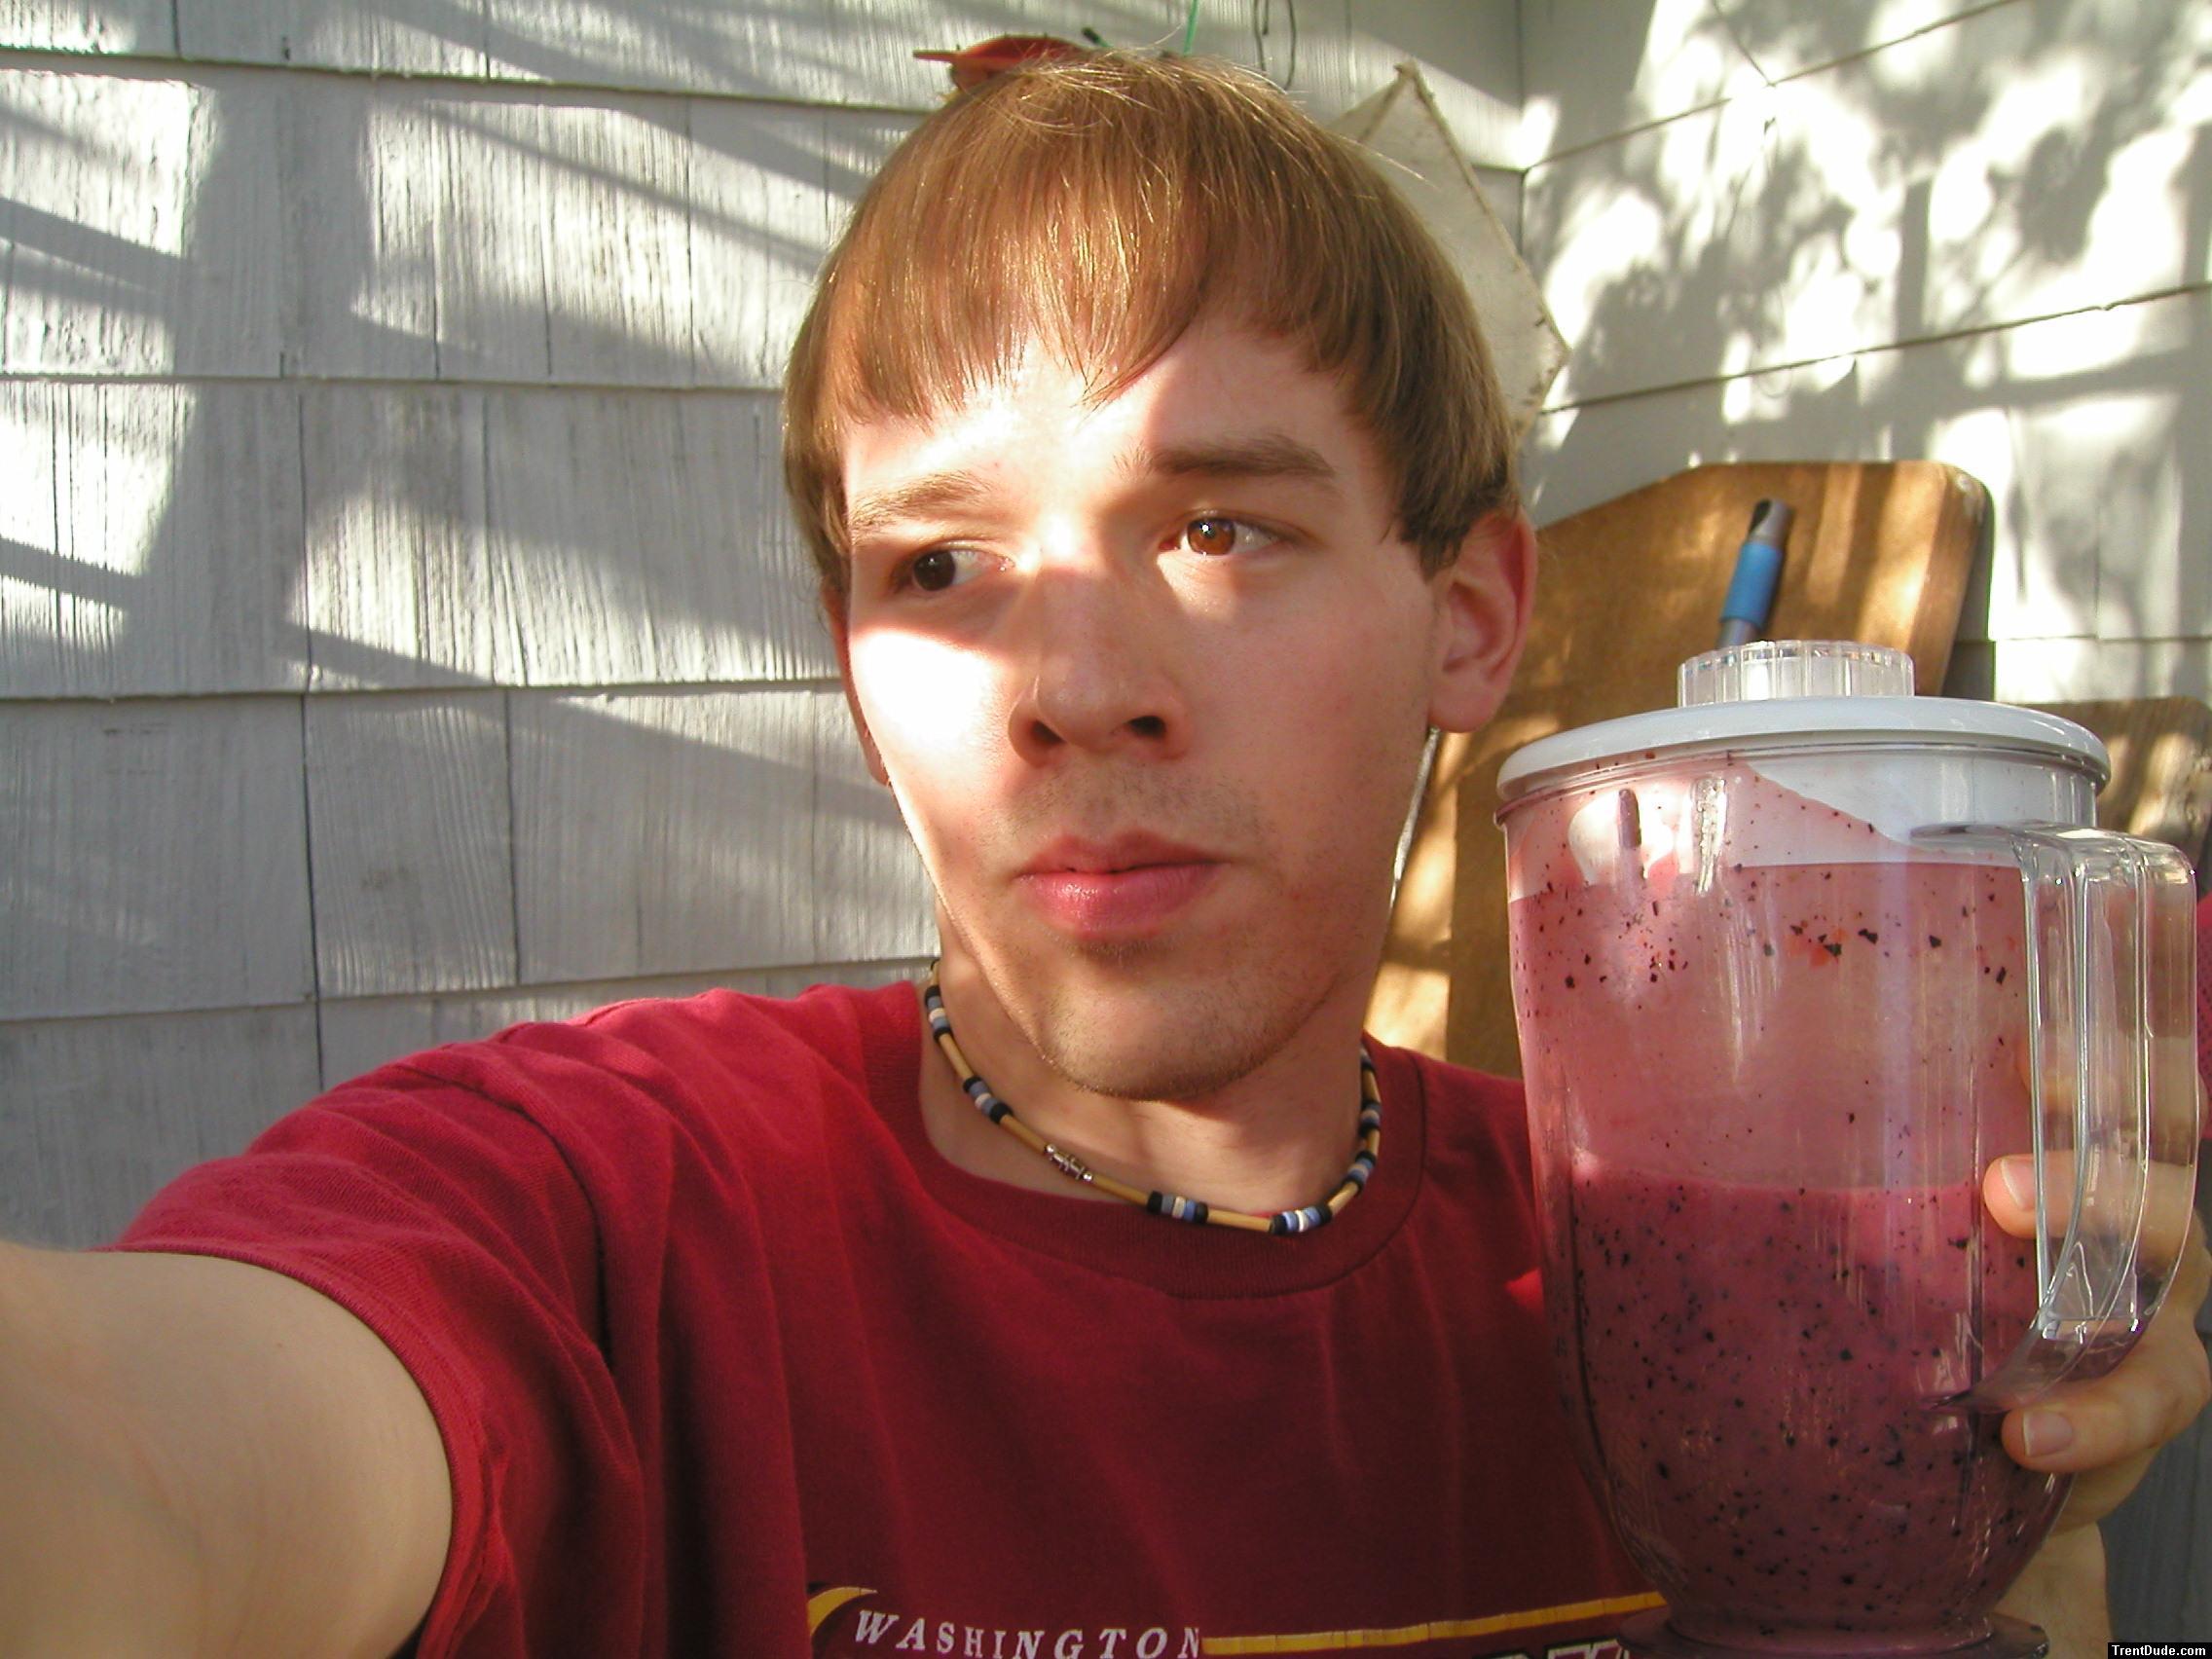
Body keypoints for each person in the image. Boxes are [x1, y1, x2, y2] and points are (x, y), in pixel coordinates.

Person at [1, 53, 2204, 1659]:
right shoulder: (624, 1219)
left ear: (1469, 615)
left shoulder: (1671, 1298)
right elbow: (128, 1447)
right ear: (854, 673)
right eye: (941, 565)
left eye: (1217, 525)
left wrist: (2017, 1535)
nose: (1070, 683)